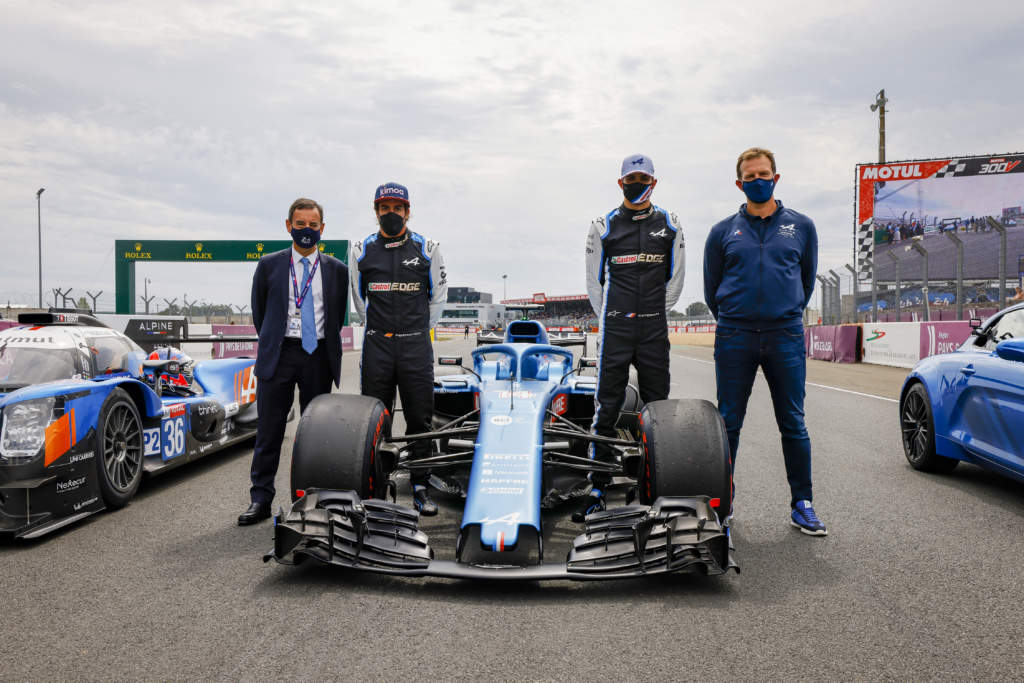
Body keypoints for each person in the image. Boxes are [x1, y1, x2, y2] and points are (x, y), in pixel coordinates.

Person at [703, 147, 825, 536]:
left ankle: (802, 503)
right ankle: (723, 504)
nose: (758, 181)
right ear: (739, 184)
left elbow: (805, 283)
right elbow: (711, 289)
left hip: (784, 335)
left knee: (793, 422)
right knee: (728, 423)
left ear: (777, 177)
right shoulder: (722, 232)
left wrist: (783, 312)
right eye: (750, 177)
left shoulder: (801, 226)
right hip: (734, 334)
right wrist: (736, 316)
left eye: (764, 174)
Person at [580, 153, 685, 521]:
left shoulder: (670, 224)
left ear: (654, 182)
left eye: (643, 178)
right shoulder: (603, 226)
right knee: (606, 406)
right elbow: (595, 283)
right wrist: (612, 316)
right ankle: (597, 484)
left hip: (654, 327)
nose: (636, 183)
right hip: (616, 327)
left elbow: (675, 280)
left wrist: (655, 312)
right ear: (620, 182)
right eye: (630, 178)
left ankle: (658, 484)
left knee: (659, 407)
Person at [239, 197, 349, 525]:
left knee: (316, 435)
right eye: (300, 225)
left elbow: (336, 315)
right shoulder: (269, 265)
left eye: (312, 226)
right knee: (269, 431)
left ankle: (312, 501)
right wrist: (276, 341)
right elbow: (261, 312)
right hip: (280, 355)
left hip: (318, 357)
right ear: (288, 226)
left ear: (322, 229)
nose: (306, 231)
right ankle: (260, 498)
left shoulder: (336, 270)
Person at [350, 182, 448, 515]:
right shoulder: (361, 249)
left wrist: (416, 332)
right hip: (377, 345)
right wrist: (380, 330)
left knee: (420, 419)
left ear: (408, 211)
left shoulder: (428, 247)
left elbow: (438, 299)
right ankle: (376, 487)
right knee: (376, 419)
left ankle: (421, 486)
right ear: (375, 210)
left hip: (415, 345)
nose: (390, 213)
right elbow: (359, 300)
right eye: (384, 207)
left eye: (397, 208)